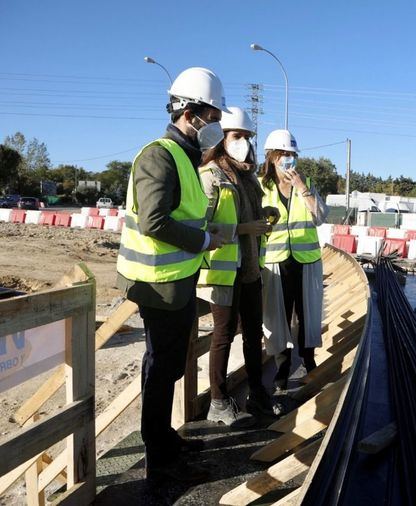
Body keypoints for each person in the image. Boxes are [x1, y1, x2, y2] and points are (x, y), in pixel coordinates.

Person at [116, 67, 228, 484]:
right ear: (190, 113)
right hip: (156, 285)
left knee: (170, 366)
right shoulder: (158, 155)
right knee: (160, 368)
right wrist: (202, 242)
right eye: (212, 116)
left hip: (176, 283)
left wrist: (206, 235)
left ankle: (163, 436)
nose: (216, 126)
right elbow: (154, 221)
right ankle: (158, 456)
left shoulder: (184, 157)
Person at [196, 106, 277, 425]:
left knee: (253, 332)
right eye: (236, 136)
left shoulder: (249, 178)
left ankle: (257, 393)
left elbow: (244, 214)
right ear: (221, 139)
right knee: (223, 335)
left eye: (247, 137)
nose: (243, 142)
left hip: (250, 269)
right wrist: (243, 230)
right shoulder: (210, 175)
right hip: (222, 270)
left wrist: (265, 212)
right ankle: (218, 400)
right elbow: (201, 226)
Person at [258, 130, 327, 407]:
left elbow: (320, 217)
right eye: (283, 155)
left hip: (306, 262)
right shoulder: (261, 186)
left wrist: (302, 188)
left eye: (292, 155)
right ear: (272, 157)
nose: (289, 160)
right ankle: (281, 373)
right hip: (276, 263)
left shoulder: (306, 182)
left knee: (308, 315)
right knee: (279, 318)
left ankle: (310, 364)